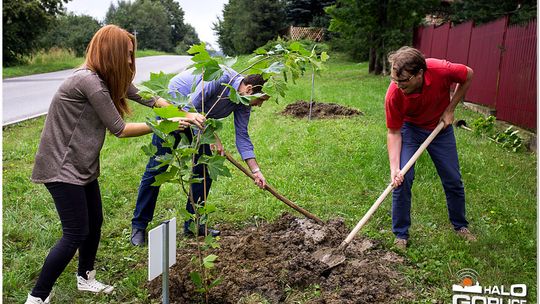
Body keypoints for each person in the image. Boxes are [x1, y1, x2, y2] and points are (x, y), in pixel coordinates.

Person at [25, 25, 202, 304]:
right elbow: (119, 129)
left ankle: (86, 278)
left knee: (94, 223)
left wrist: (186, 114)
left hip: (82, 165)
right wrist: (164, 124)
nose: (131, 62)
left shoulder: (107, 79)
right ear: (111, 53)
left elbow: (151, 99)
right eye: (127, 55)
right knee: (75, 232)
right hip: (61, 167)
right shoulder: (88, 82)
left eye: (132, 56)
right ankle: (37, 297)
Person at [130, 67, 270, 246]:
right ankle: (139, 226)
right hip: (175, 108)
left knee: (205, 168)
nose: (260, 104)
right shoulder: (219, 77)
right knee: (158, 168)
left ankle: (194, 224)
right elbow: (190, 107)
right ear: (249, 90)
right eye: (260, 99)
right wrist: (212, 137)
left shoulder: (243, 101)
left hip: (199, 119)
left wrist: (256, 171)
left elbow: (242, 136)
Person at [385, 46, 476, 250]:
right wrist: (394, 168)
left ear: (420, 74)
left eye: (403, 81)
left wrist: (450, 109)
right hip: (410, 130)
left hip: (440, 129)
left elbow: (468, 74)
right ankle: (400, 235)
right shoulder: (394, 94)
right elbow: (393, 132)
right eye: (394, 79)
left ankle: (460, 225)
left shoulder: (442, 70)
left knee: (452, 178)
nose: (398, 85)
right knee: (402, 179)